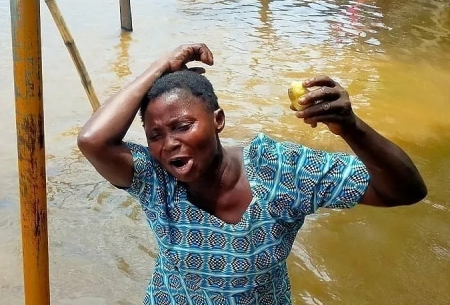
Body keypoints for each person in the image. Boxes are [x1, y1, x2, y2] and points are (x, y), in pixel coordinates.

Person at [77, 44, 427, 304]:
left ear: (218, 121)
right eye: (155, 136)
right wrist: (159, 67)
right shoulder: (156, 181)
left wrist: (352, 127)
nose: (169, 143)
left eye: (183, 126)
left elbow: (405, 190)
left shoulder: (281, 172)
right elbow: (93, 140)